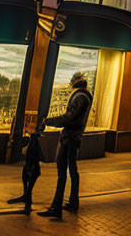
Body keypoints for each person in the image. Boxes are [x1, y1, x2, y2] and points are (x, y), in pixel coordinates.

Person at [38, 72, 93, 220]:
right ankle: (73, 203)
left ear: (76, 83)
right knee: (71, 171)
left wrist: (48, 121)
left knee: (63, 172)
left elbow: (69, 118)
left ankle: (56, 208)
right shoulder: (86, 96)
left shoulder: (80, 97)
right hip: (74, 138)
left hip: (70, 138)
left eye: (72, 81)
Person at [7, 122, 44, 215]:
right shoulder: (32, 140)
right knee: (26, 178)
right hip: (31, 165)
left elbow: (36, 154)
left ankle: (27, 200)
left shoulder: (35, 140)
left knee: (29, 180)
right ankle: (26, 196)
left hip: (33, 166)